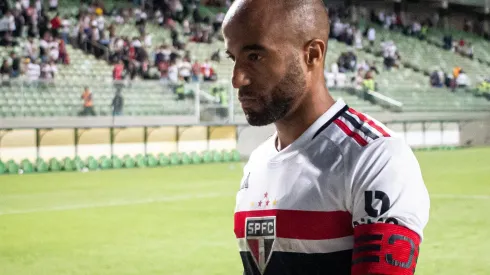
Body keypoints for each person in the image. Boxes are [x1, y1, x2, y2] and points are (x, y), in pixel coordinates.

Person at [222, 1, 430, 274]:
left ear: (312, 54)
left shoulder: (375, 156)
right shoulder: (258, 162)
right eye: (232, 58)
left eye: (254, 57)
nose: (237, 79)